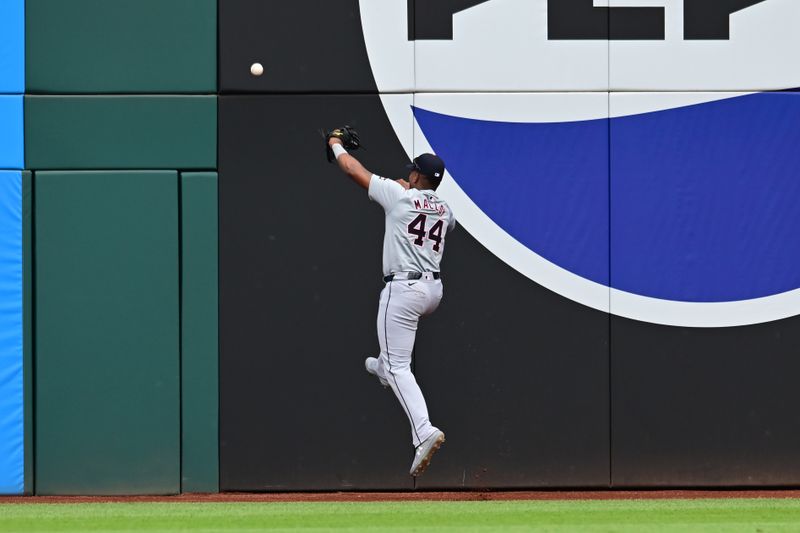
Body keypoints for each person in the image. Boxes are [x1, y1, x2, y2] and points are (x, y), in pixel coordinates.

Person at [327, 131, 456, 477]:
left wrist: (335, 144)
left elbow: (354, 169)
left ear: (415, 176)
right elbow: (426, 211)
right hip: (433, 291)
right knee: (389, 360)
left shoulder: (399, 195)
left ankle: (424, 431)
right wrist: (414, 192)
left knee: (400, 367)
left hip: (404, 289)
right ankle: (381, 366)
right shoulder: (446, 209)